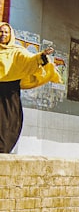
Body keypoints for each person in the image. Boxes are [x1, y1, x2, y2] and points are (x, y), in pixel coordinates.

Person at [0, 23, 60, 153]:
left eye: (6, 32)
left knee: (10, 121)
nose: (3, 35)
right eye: (1, 32)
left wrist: (42, 56)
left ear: (10, 35)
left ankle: (3, 149)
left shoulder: (17, 51)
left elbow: (29, 60)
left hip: (10, 91)